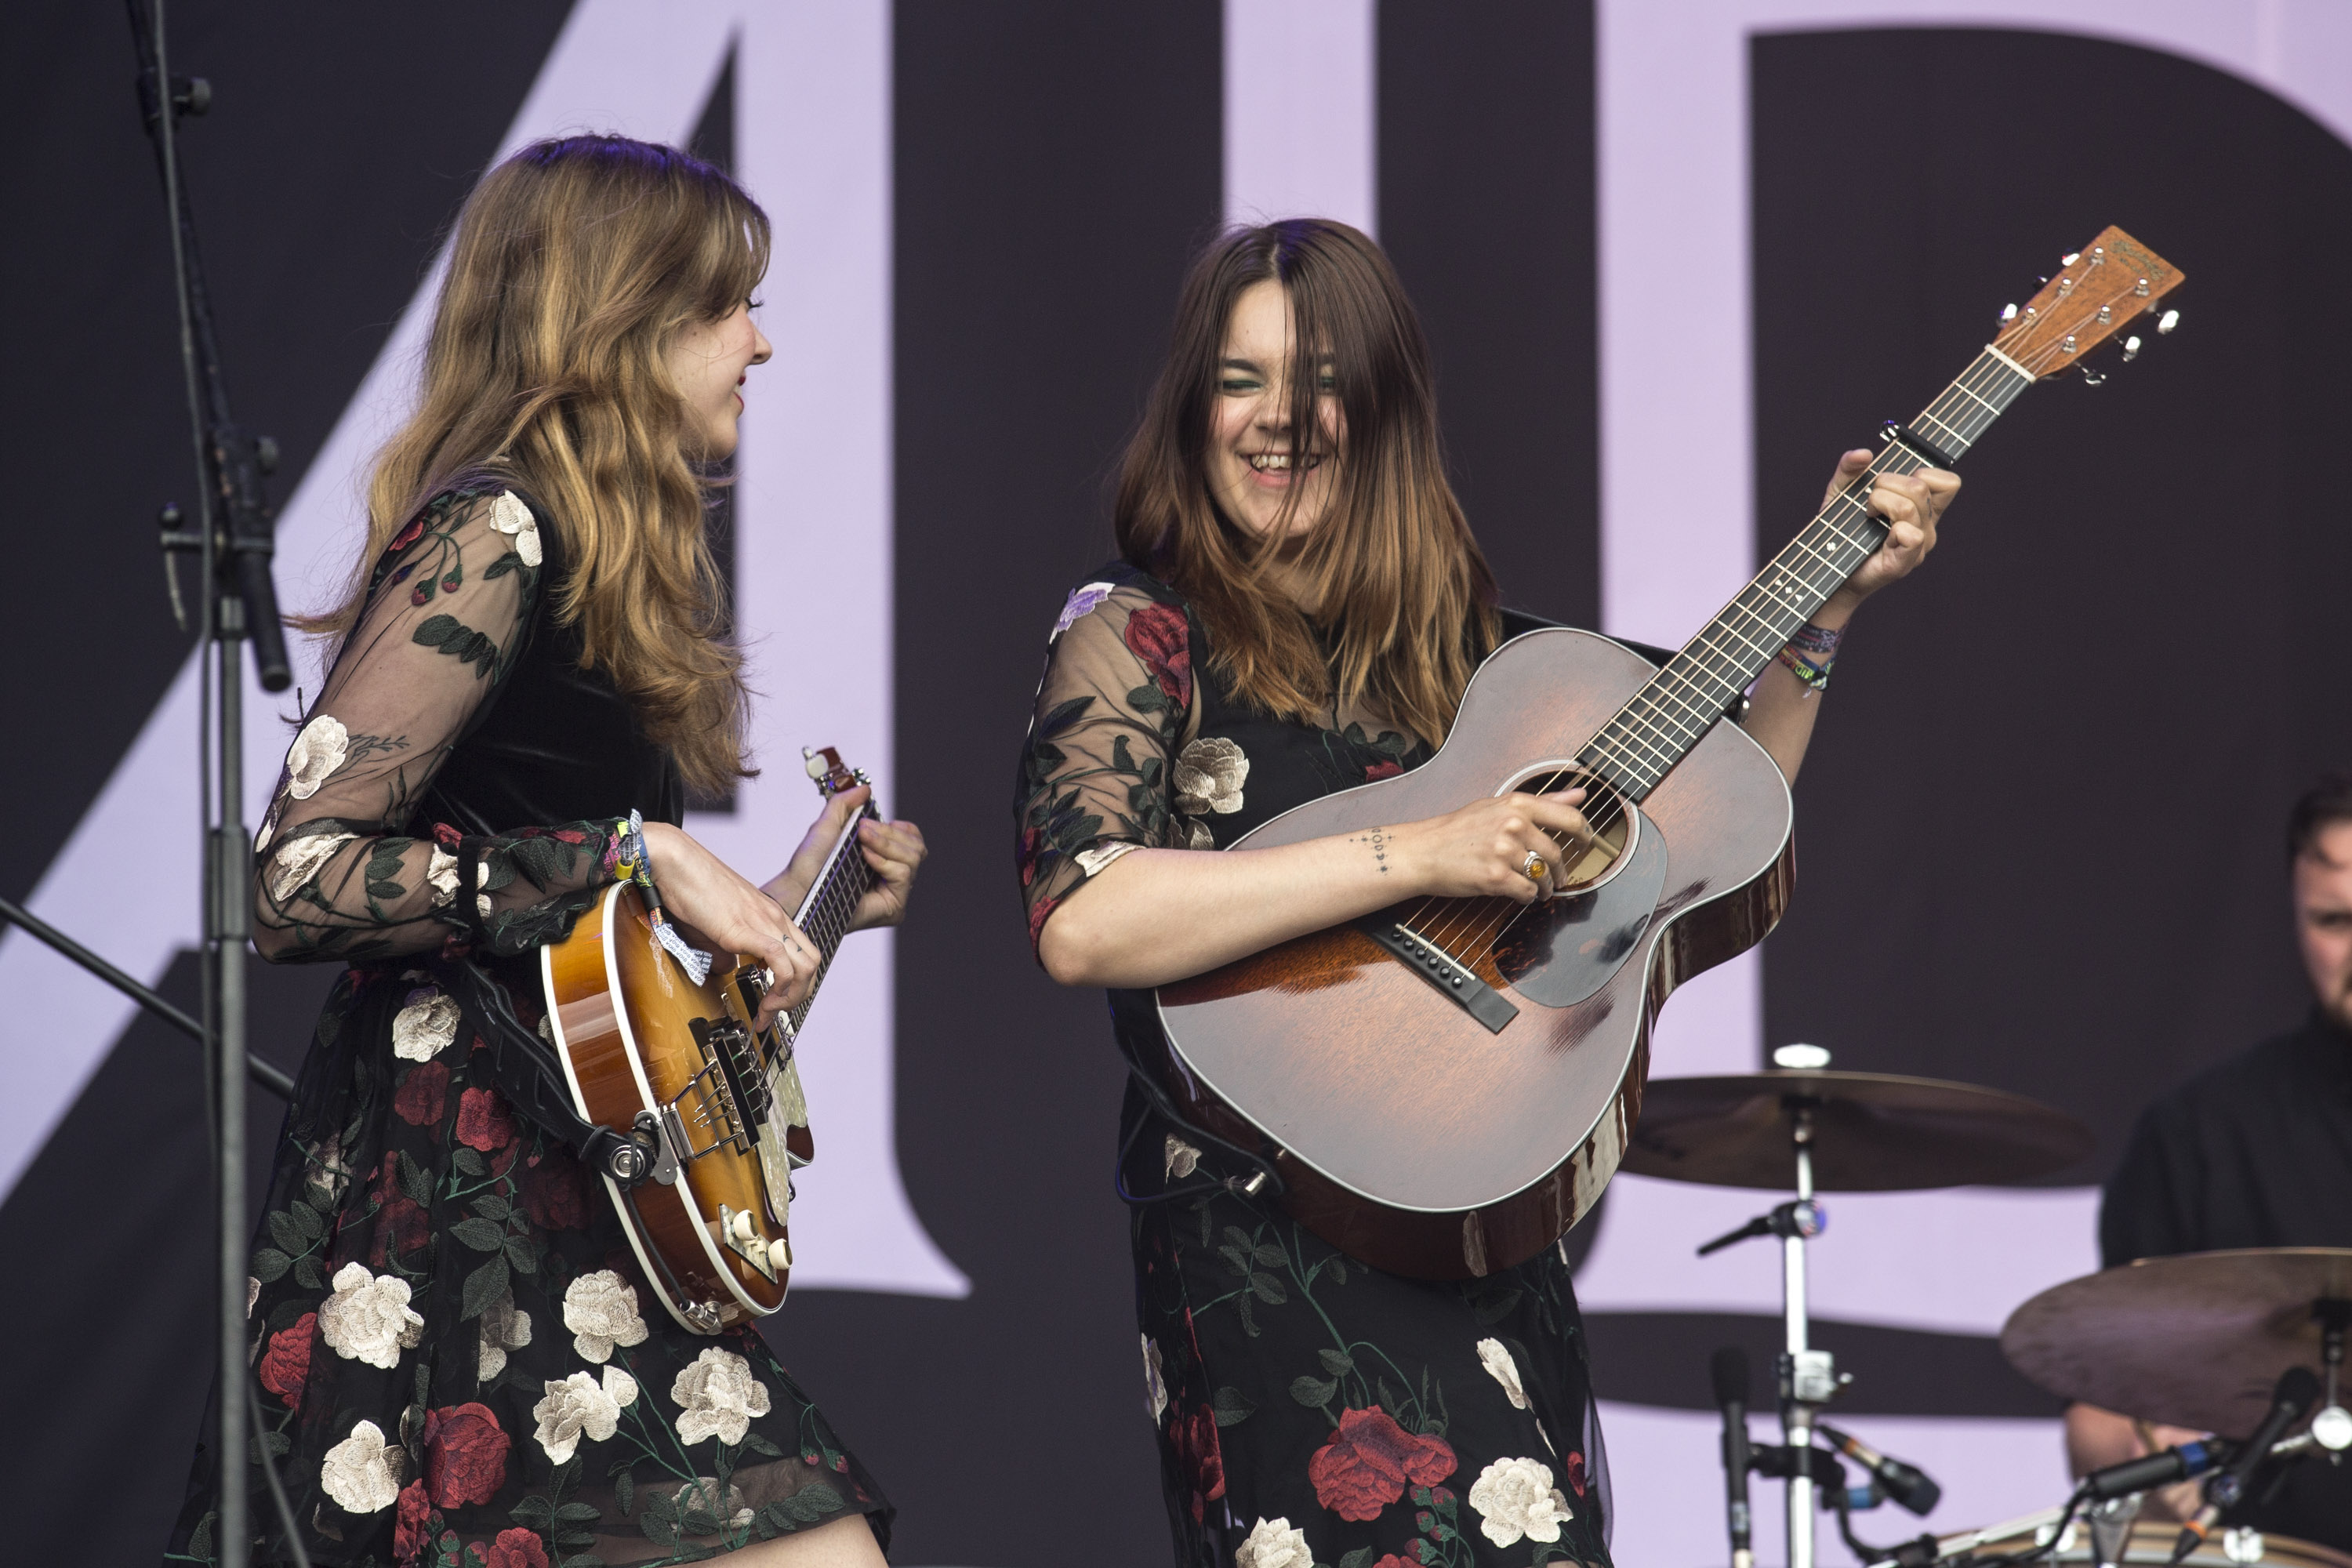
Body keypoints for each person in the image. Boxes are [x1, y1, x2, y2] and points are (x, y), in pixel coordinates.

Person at [1011, 219, 1956, 1567]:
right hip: (1262, 1252)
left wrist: (1824, 619)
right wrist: (1431, 855)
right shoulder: (1139, 638)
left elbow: (1721, 813)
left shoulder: (1502, 671)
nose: (1279, 421)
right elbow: (1086, 916)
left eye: (1321, 379)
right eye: (1239, 380)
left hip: (1484, 1242)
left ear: (1387, 411)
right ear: (1192, 409)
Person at [164, 136, 924, 1568]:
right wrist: (624, 856)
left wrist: (781, 915)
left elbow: (584, 958)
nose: (760, 340)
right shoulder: (492, 528)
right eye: (726, 305)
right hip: (463, 1208)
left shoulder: (601, 552)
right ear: (621, 320)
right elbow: (296, 874)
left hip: (583, 1181)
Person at [2063, 775, 2352, 1551]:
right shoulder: (2200, 1131)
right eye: (2335, 920)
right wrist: (2147, 1459)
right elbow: (2101, 1413)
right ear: (2297, 919)